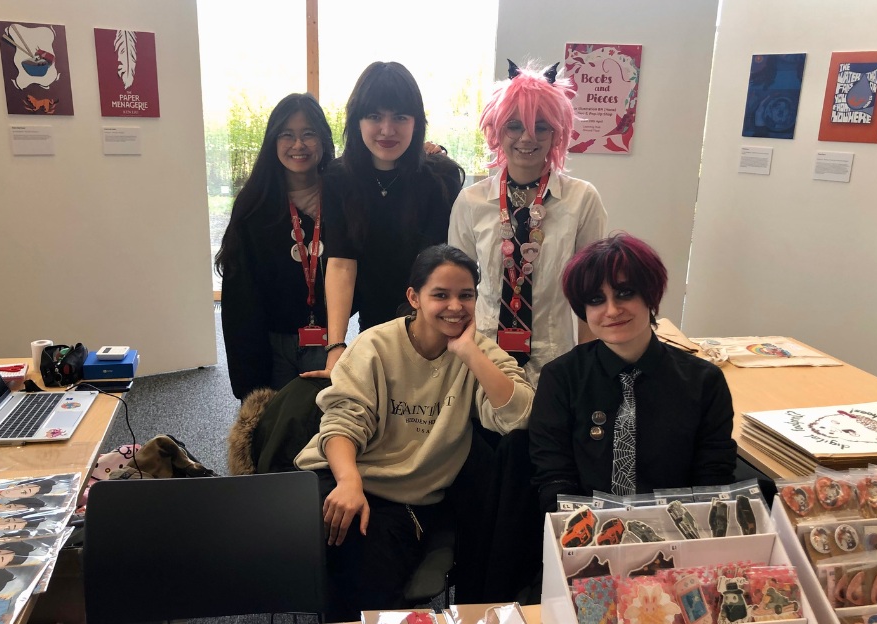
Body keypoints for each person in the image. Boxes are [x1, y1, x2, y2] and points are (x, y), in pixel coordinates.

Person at [294, 244, 533, 619]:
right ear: (414, 297)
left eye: (465, 295)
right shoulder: (376, 344)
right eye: (441, 294)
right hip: (342, 475)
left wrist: (468, 353)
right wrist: (350, 482)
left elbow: (518, 416)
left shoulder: (480, 352)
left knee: (362, 558)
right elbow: (342, 422)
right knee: (306, 547)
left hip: (405, 498)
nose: (455, 306)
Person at [529, 234, 736, 513]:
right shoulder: (561, 377)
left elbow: (712, 481)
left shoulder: (704, 382)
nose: (612, 310)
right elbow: (554, 477)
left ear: (650, 295)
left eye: (625, 293)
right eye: (596, 299)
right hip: (585, 534)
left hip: (679, 530)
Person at [449, 59, 608, 386]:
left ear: (557, 132)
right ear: (497, 129)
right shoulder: (471, 202)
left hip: (556, 362)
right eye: (515, 125)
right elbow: (457, 288)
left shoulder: (582, 200)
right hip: (483, 359)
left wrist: (593, 369)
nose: (527, 137)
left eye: (541, 126)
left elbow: (592, 291)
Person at [308, 61, 465, 379]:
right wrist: (336, 345)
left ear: (416, 121)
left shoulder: (441, 177)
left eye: (400, 117)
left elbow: (437, 263)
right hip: (373, 316)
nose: (387, 129)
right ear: (357, 120)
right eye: (374, 116)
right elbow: (341, 263)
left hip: (431, 319)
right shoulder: (339, 178)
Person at [215, 93, 337, 398]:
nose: (298, 145)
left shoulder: (341, 198)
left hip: (328, 340)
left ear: (323, 140)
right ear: (274, 141)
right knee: (274, 431)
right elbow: (238, 300)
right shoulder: (254, 204)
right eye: (287, 135)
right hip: (270, 345)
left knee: (326, 426)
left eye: (308, 133)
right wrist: (246, 377)